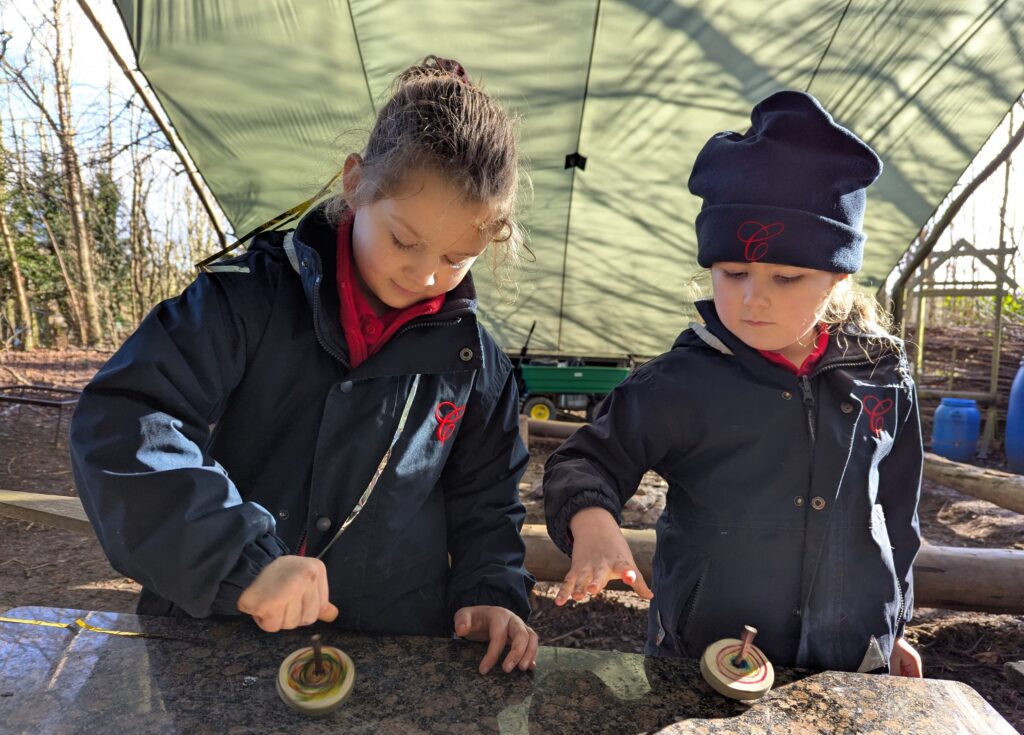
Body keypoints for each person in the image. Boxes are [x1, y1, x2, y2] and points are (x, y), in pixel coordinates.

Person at [70, 56, 538, 675]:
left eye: (458, 258)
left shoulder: (478, 366)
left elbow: (486, 499)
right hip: (221, 644)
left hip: (392, 658)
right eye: (404, 240)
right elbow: (127, 422)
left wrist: (490, 590)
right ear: (355, 184)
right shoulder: (244, 302)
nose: (426, 275)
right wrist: (239, 561)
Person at [543, 91, 923, 676]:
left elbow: (898, 511)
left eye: (787, 276)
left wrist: (892, 625)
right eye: (734, 272)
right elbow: (585, 459)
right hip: (707, 658)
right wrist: (592, 521)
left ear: (838, 278)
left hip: (853, 658)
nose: (753, 298)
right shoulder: (681, 381)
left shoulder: (882, 374)